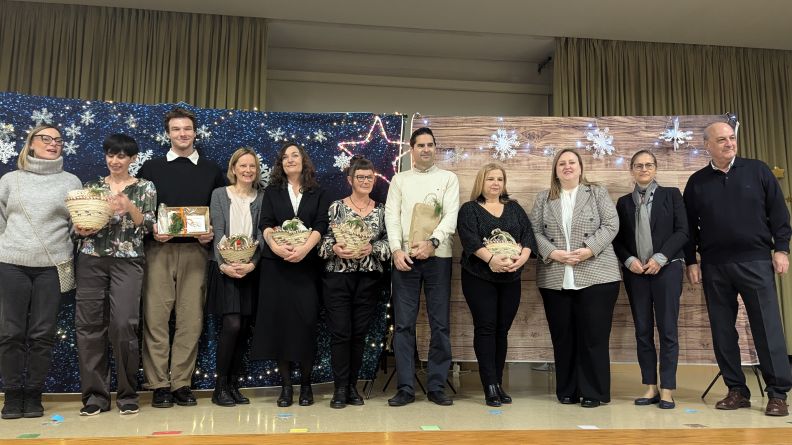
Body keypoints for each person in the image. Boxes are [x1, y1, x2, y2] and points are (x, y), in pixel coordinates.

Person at [684, 122, 792, 417]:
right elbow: (688, 228)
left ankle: (777, 393)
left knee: (767, 328)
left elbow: (779, 214)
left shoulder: (757, 171)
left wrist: (781, 249)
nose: (729, 143)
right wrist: (691, 261)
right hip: (715, 266)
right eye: (721, 140)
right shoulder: (697, 182)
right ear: (707, 145)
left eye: (732, 138)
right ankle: (736, 390)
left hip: (756, 261)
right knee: (722, 331)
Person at [137, 107, 225, 408]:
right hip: (159, 250)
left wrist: (209, 234)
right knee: (156, 318)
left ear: (195, 132)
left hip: (196, 252)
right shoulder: (151, 168)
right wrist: (151, 231)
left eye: (187, 128)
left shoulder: (213, 170)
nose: (182, 134)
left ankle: (181, 383)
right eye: (176, 129)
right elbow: (142, 213)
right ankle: (159, 384)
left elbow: (220, 212)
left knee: (191, 319)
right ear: (168, 133)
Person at [0, 125, 82, 419]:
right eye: (45, 139)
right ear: (31, 144)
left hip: (53, 266)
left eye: (58, 140)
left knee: (42, 334)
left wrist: (82, 228)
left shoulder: (71, 181)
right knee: (11, 332)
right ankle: (12, 395)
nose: (53, 144)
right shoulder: (10, 180)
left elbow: (78, 222)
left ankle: (33, 395)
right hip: (12, 264)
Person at [529, 148, 621, 408]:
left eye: (572, 162)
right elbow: (533, 231)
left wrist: (589, 249)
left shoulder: (598, 192)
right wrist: (553, 253)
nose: (567, 167)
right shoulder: (543, 198)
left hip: (597, 274)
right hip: (555, 276)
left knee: (594, 338)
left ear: (580, 168)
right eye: (562, 164)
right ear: (555, 170)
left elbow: (611, 225)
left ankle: (594, 392)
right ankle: (567, 390)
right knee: (563, 337)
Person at [73, 134, 157, 416]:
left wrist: (128, 206)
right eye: (111, 155)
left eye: (121, 156)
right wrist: (81, 229)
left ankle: (127, 393)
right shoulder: (93, 187)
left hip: (128, 261)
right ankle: (95, 396)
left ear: (132, 159)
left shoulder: (145, 187)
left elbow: (148, 226)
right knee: (89, 327)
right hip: (91, 259)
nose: (115, 160)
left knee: (123, 324)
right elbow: (80, 223)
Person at [384, 127, 460, 407]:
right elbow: (392, 217)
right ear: (411, 149)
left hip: (438, 257)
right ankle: (405, 387)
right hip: (405, 258)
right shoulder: (399, 180)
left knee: (440, 324)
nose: (426, 149)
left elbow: (450, 216)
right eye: (420, 145)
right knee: (404, 325)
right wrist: (395, 250)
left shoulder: (448, 179)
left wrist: (432, 242)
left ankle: (437, 386)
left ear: (435, 149)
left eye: (430, 145)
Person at [252, 142, 330, 407]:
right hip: (276, 267)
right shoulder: (272, 192)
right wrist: (275, 247)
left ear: (303, 160)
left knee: (306, 324)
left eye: (294, 155)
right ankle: (286, 387)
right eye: (285, 157)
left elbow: (321, 225)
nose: (290, 160)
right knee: (280, 326)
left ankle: (306, 384)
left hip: (306, 268)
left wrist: (305, 249)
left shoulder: (317, 192)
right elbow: (265, 224)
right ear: (280, 164)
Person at [613, 150, 687, 410]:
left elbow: (682, 231)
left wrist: (661, 257)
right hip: (636, 273)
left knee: (667, 330)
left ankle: (667, 389)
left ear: (655, 168)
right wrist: (629, 259)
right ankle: (650, 386)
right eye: (638, 165)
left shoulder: (672, 195)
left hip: (667, 269)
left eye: (648, 165)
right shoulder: (623, 203)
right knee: (642, 331)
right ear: (631, 170)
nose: (643, 169)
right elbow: (618, 240)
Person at [456, 163, 534, 407]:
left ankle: (498, 382)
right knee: (486, 328)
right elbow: (468, 239)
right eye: (490, 178)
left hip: (511, 277)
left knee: (502, 330)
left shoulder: (514, 208)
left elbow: (528, 236)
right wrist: (491, 260)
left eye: (500, 179)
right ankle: (489, 384)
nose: (495, 183)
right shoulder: (470, 209)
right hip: (479, 276)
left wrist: (521, 259)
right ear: (482, 182)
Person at [318, 156, 391, 409]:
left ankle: (352, 387)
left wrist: (372, 248)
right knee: (341, 333)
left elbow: (389, 244)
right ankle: (339, 388)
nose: (365, 181)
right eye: (360, 177)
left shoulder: (382, 210)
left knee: (359, 335)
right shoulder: (336, 207)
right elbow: (322, 241)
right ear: (350, 180)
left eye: (369, 177)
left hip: (369, 279)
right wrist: (335, 248)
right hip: (338, 277)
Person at [206, 148, 264, 407]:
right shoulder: (220, 194)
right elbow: (218, 231)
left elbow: (264, 233)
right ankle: (220, 387)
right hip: (226, 270)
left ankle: (234, 385)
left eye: (252, 166)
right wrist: (224, 265)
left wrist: (252, 264)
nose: (248, 170)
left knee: (244, 330)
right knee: (232, 326)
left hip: (251, 271)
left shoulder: (262, 197)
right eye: (243, 166)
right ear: (234, 169)